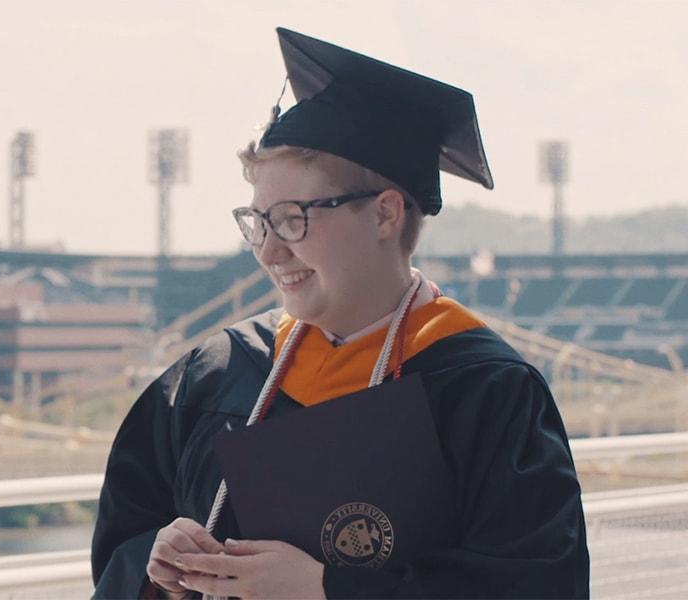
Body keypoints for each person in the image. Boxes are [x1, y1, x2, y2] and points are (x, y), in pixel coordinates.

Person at [91, 28, 588, 599]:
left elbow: (538, 585)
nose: (269, 250)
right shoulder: (215, 375)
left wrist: (326, 590)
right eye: (258, 221)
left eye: (294, 218)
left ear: (385, 215)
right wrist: (162, 568)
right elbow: (124, 547)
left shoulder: (485, 393)